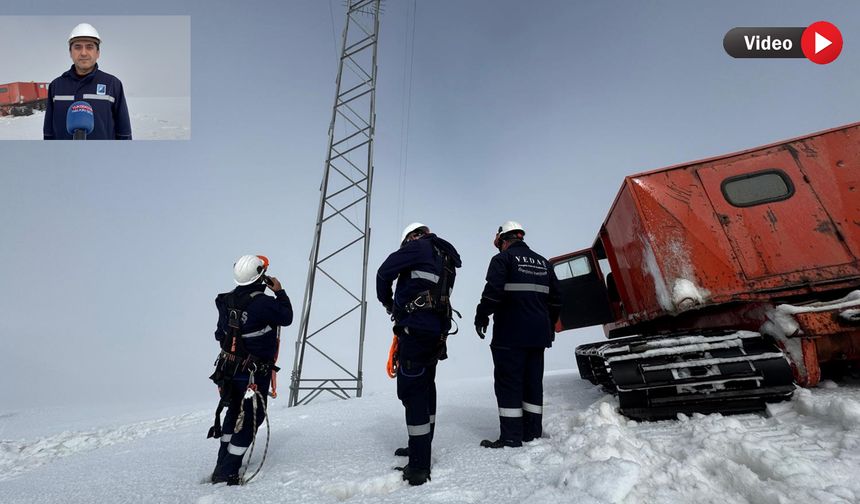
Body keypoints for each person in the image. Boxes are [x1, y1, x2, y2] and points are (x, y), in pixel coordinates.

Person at [376, 222, 461, 486]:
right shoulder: (445, 255)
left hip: (416, 329)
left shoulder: (417, 247)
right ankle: (421, 447)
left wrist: (388, 302)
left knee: (412, 391)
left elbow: (383, 273)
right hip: (436, 332)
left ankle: (419, 466)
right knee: (425, 387)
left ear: (412, 237)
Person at [474, 221, 561, 448]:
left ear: (503, 240)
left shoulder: (502, 260)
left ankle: (511, 436)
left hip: (510, 334)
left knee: (509, 383)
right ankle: (532, 433)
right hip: (538, 335)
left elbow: (492, 293)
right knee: (533, 382)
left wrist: (481, 315)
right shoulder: (544, 263)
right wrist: (549, 327)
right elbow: (557, 300)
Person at [209, 255, 293, 485]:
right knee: (249, 420)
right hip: (253, 373)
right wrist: (280, 292)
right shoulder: (263, 303)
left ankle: (221, 464)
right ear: (261, 275)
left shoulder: (226, 301)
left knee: (232, 413)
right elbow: (286, 317)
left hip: (229, 369)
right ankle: (229, 470)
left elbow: (220, 334)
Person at [43, 23, 132, 140]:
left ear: (98, 53)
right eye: (78, 47)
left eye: (89, 47)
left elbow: (123, 132)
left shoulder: (112, 84)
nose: (83, 53)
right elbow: (48, 132)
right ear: (70, 52)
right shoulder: (56, 86)